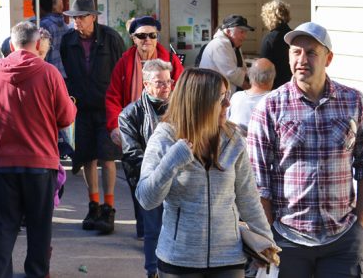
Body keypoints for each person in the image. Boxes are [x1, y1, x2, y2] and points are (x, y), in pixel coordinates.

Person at [247, 22, 363, 277]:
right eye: (296, 52)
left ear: (328, 58)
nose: (302, 59)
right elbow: (258, 180)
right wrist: (268, 234)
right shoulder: (270, 108)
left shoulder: (354, 102)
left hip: (341, 240)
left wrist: (360, 225)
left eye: (311, 53)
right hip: (287, 239)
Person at [136, 68, 277, 278]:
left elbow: (249, 199)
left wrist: (267, 242)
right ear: (199, 101)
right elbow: (146, 199)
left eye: (227, 96)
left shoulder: (233, 139)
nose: (228, 104)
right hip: (179, 259)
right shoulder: (165, 137)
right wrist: (173, 160)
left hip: (229, 258)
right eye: (221, 98)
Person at [0, 22, 76, 278]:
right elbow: (66, 118)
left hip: (3, 162)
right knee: (39, 228)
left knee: (3, 227)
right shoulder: (49, 73)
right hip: (40, 164)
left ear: (12, 44)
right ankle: (36, 273)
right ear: (39, 44)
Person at [105, 15, 184, 240]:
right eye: (141, 36)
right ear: (133, 38)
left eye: (152, 35)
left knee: (168, 182)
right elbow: (112, 96)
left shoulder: (170, 59)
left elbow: (182, 90)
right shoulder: (124, 61)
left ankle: (164, 232)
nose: (147, 40)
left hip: (167, 128)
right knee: (137, 178)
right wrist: (114, 126)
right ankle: (145, 230)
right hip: (134, 128)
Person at [59, 0, 126, 234]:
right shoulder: (67, 40)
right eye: (74, 17)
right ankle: (93, 205)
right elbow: (64, 70)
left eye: (81, 17)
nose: (77, 21)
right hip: (81, 108)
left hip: (108, 106)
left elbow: (122, 71)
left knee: (107, 157)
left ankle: (109, 207)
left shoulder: (110, 38)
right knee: (87, 156)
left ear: (93, 17)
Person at [119, 59, 174, 278]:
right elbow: (132, 153)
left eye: (169, 81)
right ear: (146, 85)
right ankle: (153, 271)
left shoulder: (178, 107)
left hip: (179, 178)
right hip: (149, 178)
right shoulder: (130, 114)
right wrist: (158, 174)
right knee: (153, 230)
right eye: (160, 83)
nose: (166, 87)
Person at [199, 15, 253, 93]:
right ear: (228, 32)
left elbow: (242, 69)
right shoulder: (219, 45)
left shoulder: (234, 44)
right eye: (241, 32)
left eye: (245, 32)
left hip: (225, 93)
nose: (245, 36)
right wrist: (253, 91)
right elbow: (232, 74)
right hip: (213, 95)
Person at [227, 58, 275, 136]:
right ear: (272, 78)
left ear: (250, 76)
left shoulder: (236, 97)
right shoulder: (274, 99)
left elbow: (227, 123)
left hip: (233, 144)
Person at [33, 0, 68, 79]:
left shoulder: (43, 25)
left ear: (39, 7)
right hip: (64, 73)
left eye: (33, 6)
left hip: (50, 75)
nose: (33, 9)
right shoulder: (64, 24)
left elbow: (41, 54)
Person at [259, 0, 292, 89]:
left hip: (274, 86)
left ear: (269, 18)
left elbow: (263, 68)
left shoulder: (269, 39)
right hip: (292, 84)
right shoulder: (293, 36)